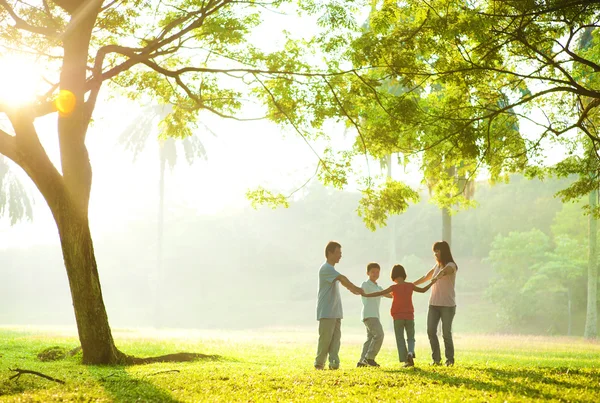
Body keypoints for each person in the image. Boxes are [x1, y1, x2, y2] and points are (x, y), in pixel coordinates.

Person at [363, 264, 435, 367]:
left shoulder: (394, 287)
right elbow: (423, 290)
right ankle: (410, 352)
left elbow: (379, 293)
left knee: (400, 339)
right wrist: (433, 282)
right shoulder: (410, 285)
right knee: (411, 337)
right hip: (410, 316)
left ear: (393, 276)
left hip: (398, 317)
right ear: (404, 275)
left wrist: (366, 295)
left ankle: (406, 360)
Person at [315, 241, 364, 370]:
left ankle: (334, 363)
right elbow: (342, 279)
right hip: (326, 311)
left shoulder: (332, 270)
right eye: (338, 253)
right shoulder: (326, 269)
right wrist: (355, 288)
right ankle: (319, 364)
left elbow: (342, 282)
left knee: (336, 340)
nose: (340, 256)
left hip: (335, 311)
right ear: (329, 253)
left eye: (340, 253)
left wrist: (354, 290)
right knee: (325, 339)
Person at [414, 240, 458, 366]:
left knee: (446, 333)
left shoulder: (451, 265)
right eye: (434, 251)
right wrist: (411, 285)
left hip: (447, 305)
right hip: (433, 304)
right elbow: (425, 277)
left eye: (437, 251)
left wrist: (439, 275)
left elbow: (447, 271)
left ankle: (449, 359)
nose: (435, 254)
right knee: (431, 331)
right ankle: (436, 359)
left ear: (443, 251)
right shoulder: (436, 266)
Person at [357, 262, 392, 368]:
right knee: (379, 335)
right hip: (369, 315)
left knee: (370, 338)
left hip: (374, 315)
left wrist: (399, 291)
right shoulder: (365, 284)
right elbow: (373, 293)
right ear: (368, 273)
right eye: (373, 272)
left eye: (377, 272)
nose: (375, 274)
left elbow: (388, 295)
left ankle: (362, 362)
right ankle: (369, 358)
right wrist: (382, 292)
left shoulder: (378, 286)